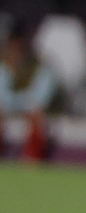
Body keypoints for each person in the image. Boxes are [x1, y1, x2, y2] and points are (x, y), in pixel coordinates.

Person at [0, 29, 59, 162]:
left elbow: (40, 99)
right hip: (9, 107)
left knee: (37, 116)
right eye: (11, 49)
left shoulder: (39, 68)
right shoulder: (3, 69)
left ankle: (32, 160)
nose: (15, 54)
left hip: (31, 108)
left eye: (19, 50)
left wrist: (23, 104)